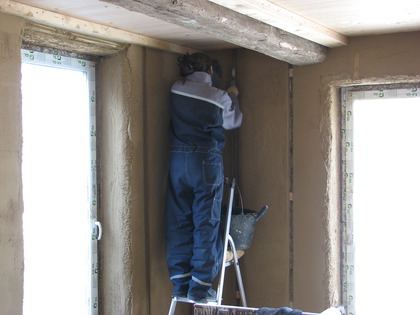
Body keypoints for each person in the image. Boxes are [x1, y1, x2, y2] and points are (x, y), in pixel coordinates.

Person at [165, 52, 242, 303]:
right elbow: (233, 122)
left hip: (178, 161)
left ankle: (180, 282)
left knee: (179, 220)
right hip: (205, 163)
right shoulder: (218, 97)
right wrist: (233, 96)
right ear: (209, 70)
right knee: (205, 220)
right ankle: (200, 285)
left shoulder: (176, 88)